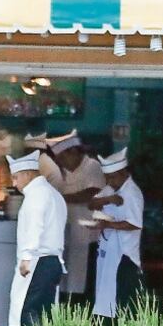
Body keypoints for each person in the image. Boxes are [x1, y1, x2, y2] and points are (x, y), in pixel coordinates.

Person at [5, 150, 67, 326]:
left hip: (38, 261)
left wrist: (26, 257)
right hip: (52, 261)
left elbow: (34, 226)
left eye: (15, 178)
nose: (14, 184)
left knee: (26, 313)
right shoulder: (53, 194)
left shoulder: (36, 196)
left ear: (28, 174)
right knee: (44, 314)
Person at [47, 129, 104, 304]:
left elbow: (91, 194)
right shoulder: (61, 172)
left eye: (63, 158)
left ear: (73, 152)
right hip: (66, 233)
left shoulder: (92, 166)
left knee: (84, 281)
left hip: (88, 236)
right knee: (66, 280)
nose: (61, 163)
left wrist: (59, 199)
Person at [89, 147, 145, 319]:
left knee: (122, 305)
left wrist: (108, 224)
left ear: (123, 173)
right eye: (107, 178)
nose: (110, 182)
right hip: (109, 253)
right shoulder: (111, 189)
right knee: (105, 300)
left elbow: (134, 224)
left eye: (112, 177)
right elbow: (92, 204)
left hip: (125, 257)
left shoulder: (132, 193)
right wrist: (108, 199)